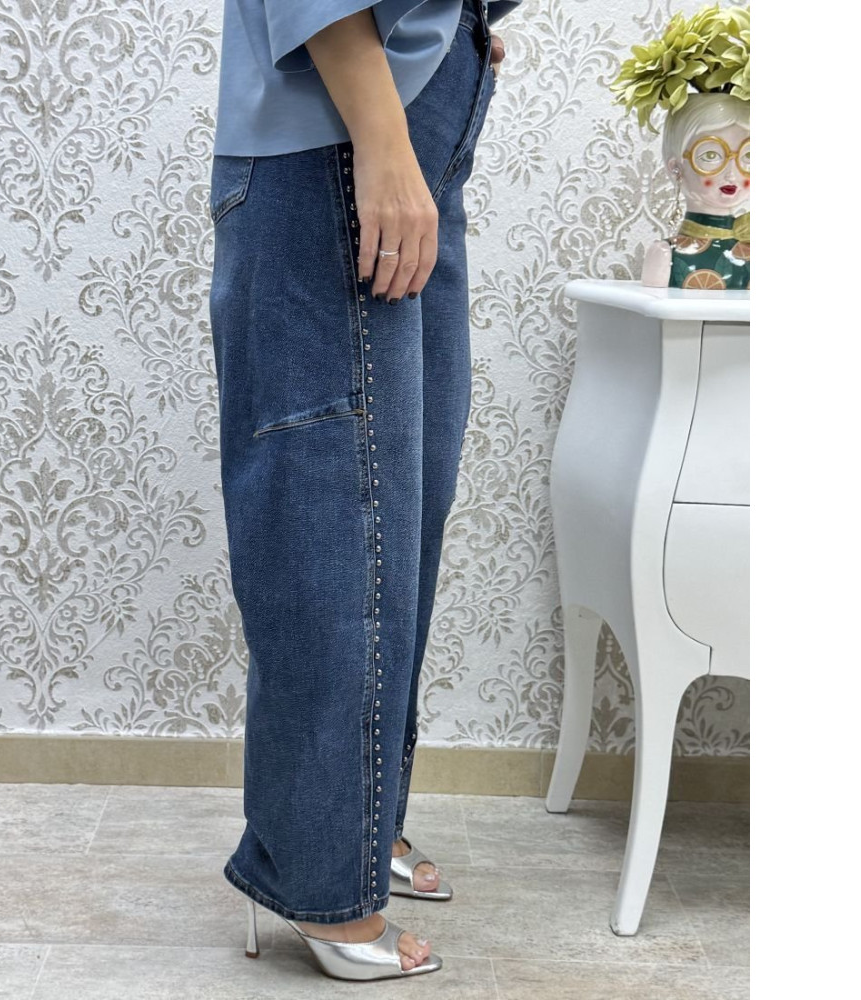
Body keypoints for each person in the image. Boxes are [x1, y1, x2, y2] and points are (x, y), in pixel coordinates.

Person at [207, 0, 520, 981]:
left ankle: (356, 828)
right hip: (337, 145)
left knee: (398, 515)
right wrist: (382, 143)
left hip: (409, 137)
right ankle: (316, 876)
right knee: (332, 519)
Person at [641, 92, 750, 289]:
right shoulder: (666, 255)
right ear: (676, 168)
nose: (732, 174)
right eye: (711, 155)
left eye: (748, 155)